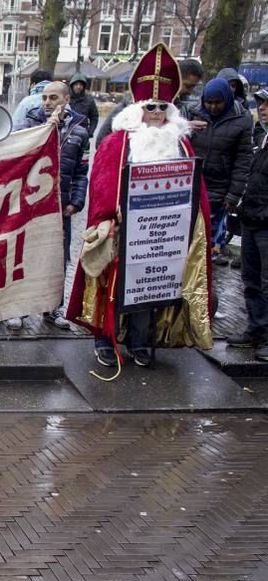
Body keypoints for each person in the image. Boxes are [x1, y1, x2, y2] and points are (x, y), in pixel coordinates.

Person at [67, 43, 213, 370]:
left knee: (151, 287)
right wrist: (110, 214)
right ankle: (104, 340)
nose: (157, 113)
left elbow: (194, 189)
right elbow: (102, 182)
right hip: (122, 229)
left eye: (163, 107)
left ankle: (139, 341)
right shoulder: (117, 142)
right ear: (138, 108)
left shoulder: (180, 143)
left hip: (163, 235)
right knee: (112, 285)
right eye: (151, 106)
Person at [16, 81, 89, 330]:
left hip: (61, 203)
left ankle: (53, 308)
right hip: (31, 203)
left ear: (66, 100)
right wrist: (48, 129)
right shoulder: (30, 123)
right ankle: (20, 308)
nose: (47, 102)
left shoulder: (80, 129)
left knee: (58, 257)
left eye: (53, 98)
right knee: (25, 254)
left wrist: (77, 200)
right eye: (44, 98)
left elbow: (81, 169)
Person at [190, 77, 252, 267]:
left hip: (220, 188)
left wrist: (234, 194)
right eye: (209, 102)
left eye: (218, 103)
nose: (213, 107)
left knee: (209, 238)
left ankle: (206, 282)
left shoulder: (241, 120)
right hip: (193, 185)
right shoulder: (194, 114)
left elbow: (243, 160)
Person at [227, 91, 268, 360]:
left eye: (267, 104)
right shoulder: (262, 137)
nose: (261, 108)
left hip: (265, 221)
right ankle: (257, 329)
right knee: (251, 279)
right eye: (260, 103)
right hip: (252, 219)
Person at [68, 72, 99, 138]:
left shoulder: (89, 100)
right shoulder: (66, 98)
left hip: (83, 132)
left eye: (81, 85)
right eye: (76, 84)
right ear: (72, 85)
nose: (78, 87)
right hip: (67, 132)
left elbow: (94, 117)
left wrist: (90, 131)